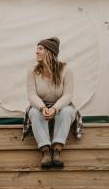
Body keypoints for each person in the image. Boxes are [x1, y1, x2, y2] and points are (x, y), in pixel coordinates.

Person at [26, 37, 76, 169]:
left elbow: (68, 95)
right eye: (37, 49)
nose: (36, 52)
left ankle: (57, 150)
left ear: (49, 52)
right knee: (33, 112)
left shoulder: (66, 70)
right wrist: (42, 107)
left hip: (60, 105)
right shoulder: (32, 71)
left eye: (40, 49)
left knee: (67, 112)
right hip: (40, 105)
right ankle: (46, 151)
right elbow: (31, 95)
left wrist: (54, 109)